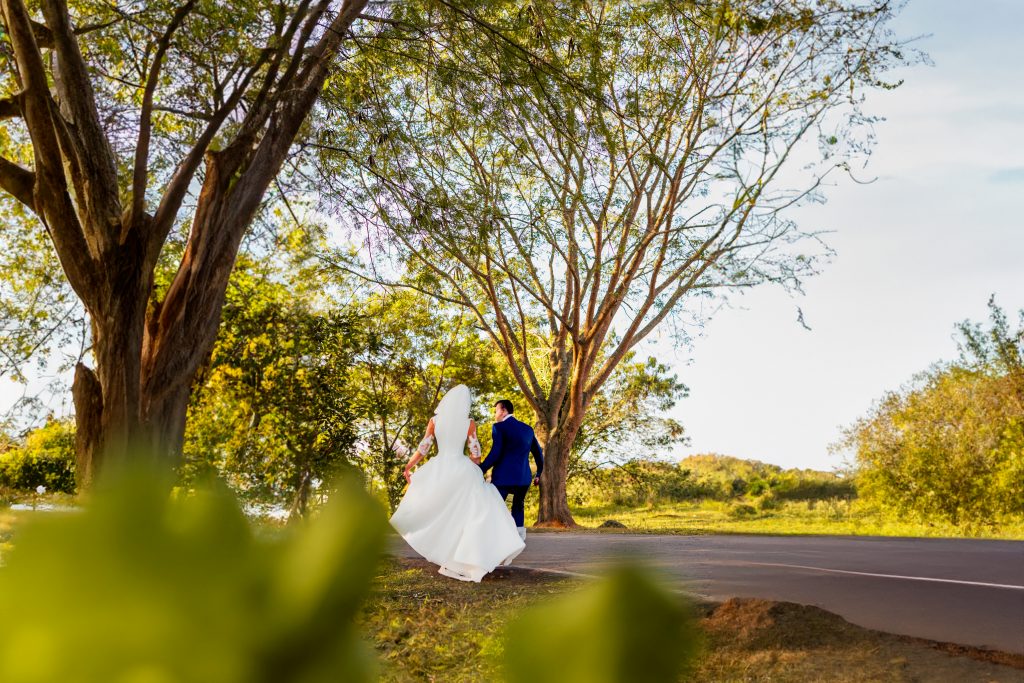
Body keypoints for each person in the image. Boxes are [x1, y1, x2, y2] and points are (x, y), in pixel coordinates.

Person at [389, 385, 525, 582]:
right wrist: (476, 468)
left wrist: (409, 465)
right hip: (461, 467)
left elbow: (424, 447)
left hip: (439, 466)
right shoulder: (469, 423)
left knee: (440, 511)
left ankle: (442, 550)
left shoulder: (434, 421)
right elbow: (475, 452)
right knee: (462, 513)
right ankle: (458, 555)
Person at [478, 399, 544, 542]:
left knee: (495, 507)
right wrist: (539, 473)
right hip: (523, 478)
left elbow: (495, 453)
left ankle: (493, 539)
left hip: (503, 477)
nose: (495, 414)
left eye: (496, 411)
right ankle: (518, 539)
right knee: (518, 507)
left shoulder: (499, 427)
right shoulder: (527, 429)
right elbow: (538, 454)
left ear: (503, 411)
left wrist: (480, 469)